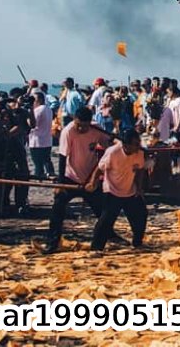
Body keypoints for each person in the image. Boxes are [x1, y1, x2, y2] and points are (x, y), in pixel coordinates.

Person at [45, 106, 110, 253]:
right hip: (70, 176)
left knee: (103, 211)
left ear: (90, 123)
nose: (81, 128)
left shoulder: (97, 130)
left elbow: (109, 147)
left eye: (85, 126)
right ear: (74, 120)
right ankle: (52, 242)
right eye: (78, 125)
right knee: (58, 209)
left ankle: (109, 236)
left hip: (90, 178)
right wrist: (61, 183)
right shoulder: (68, 131)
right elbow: (62, 157)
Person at [87, 129, 147, 252]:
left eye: (139, 143)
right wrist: (93, 182)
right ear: (126, 145)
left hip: (130, 189)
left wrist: (139, 187)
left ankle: (137, 242)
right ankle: (96, 247)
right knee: (106, 220)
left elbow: (140, 169)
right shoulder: (113, 153)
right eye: (135, 144)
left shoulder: (139, 153)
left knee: (141, 214)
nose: (138, 147)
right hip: (112, 190)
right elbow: (99, 168)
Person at [3, 90, 34, 213]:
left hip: (20, 148)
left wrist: (30, 108)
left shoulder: (23, 112)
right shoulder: (6, 112)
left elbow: (32, 124)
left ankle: (20, 202)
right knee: (7, 176)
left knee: (23, 175)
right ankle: (5, 201)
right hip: (7, 149)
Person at [29, 91, 54, 180]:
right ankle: (50, 174)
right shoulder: (49, 109)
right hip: (47, 140)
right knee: (46, 159)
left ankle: (39, 176)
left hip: (37, 140)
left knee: (38, 162)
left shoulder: (38, 110)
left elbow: (33, 124)